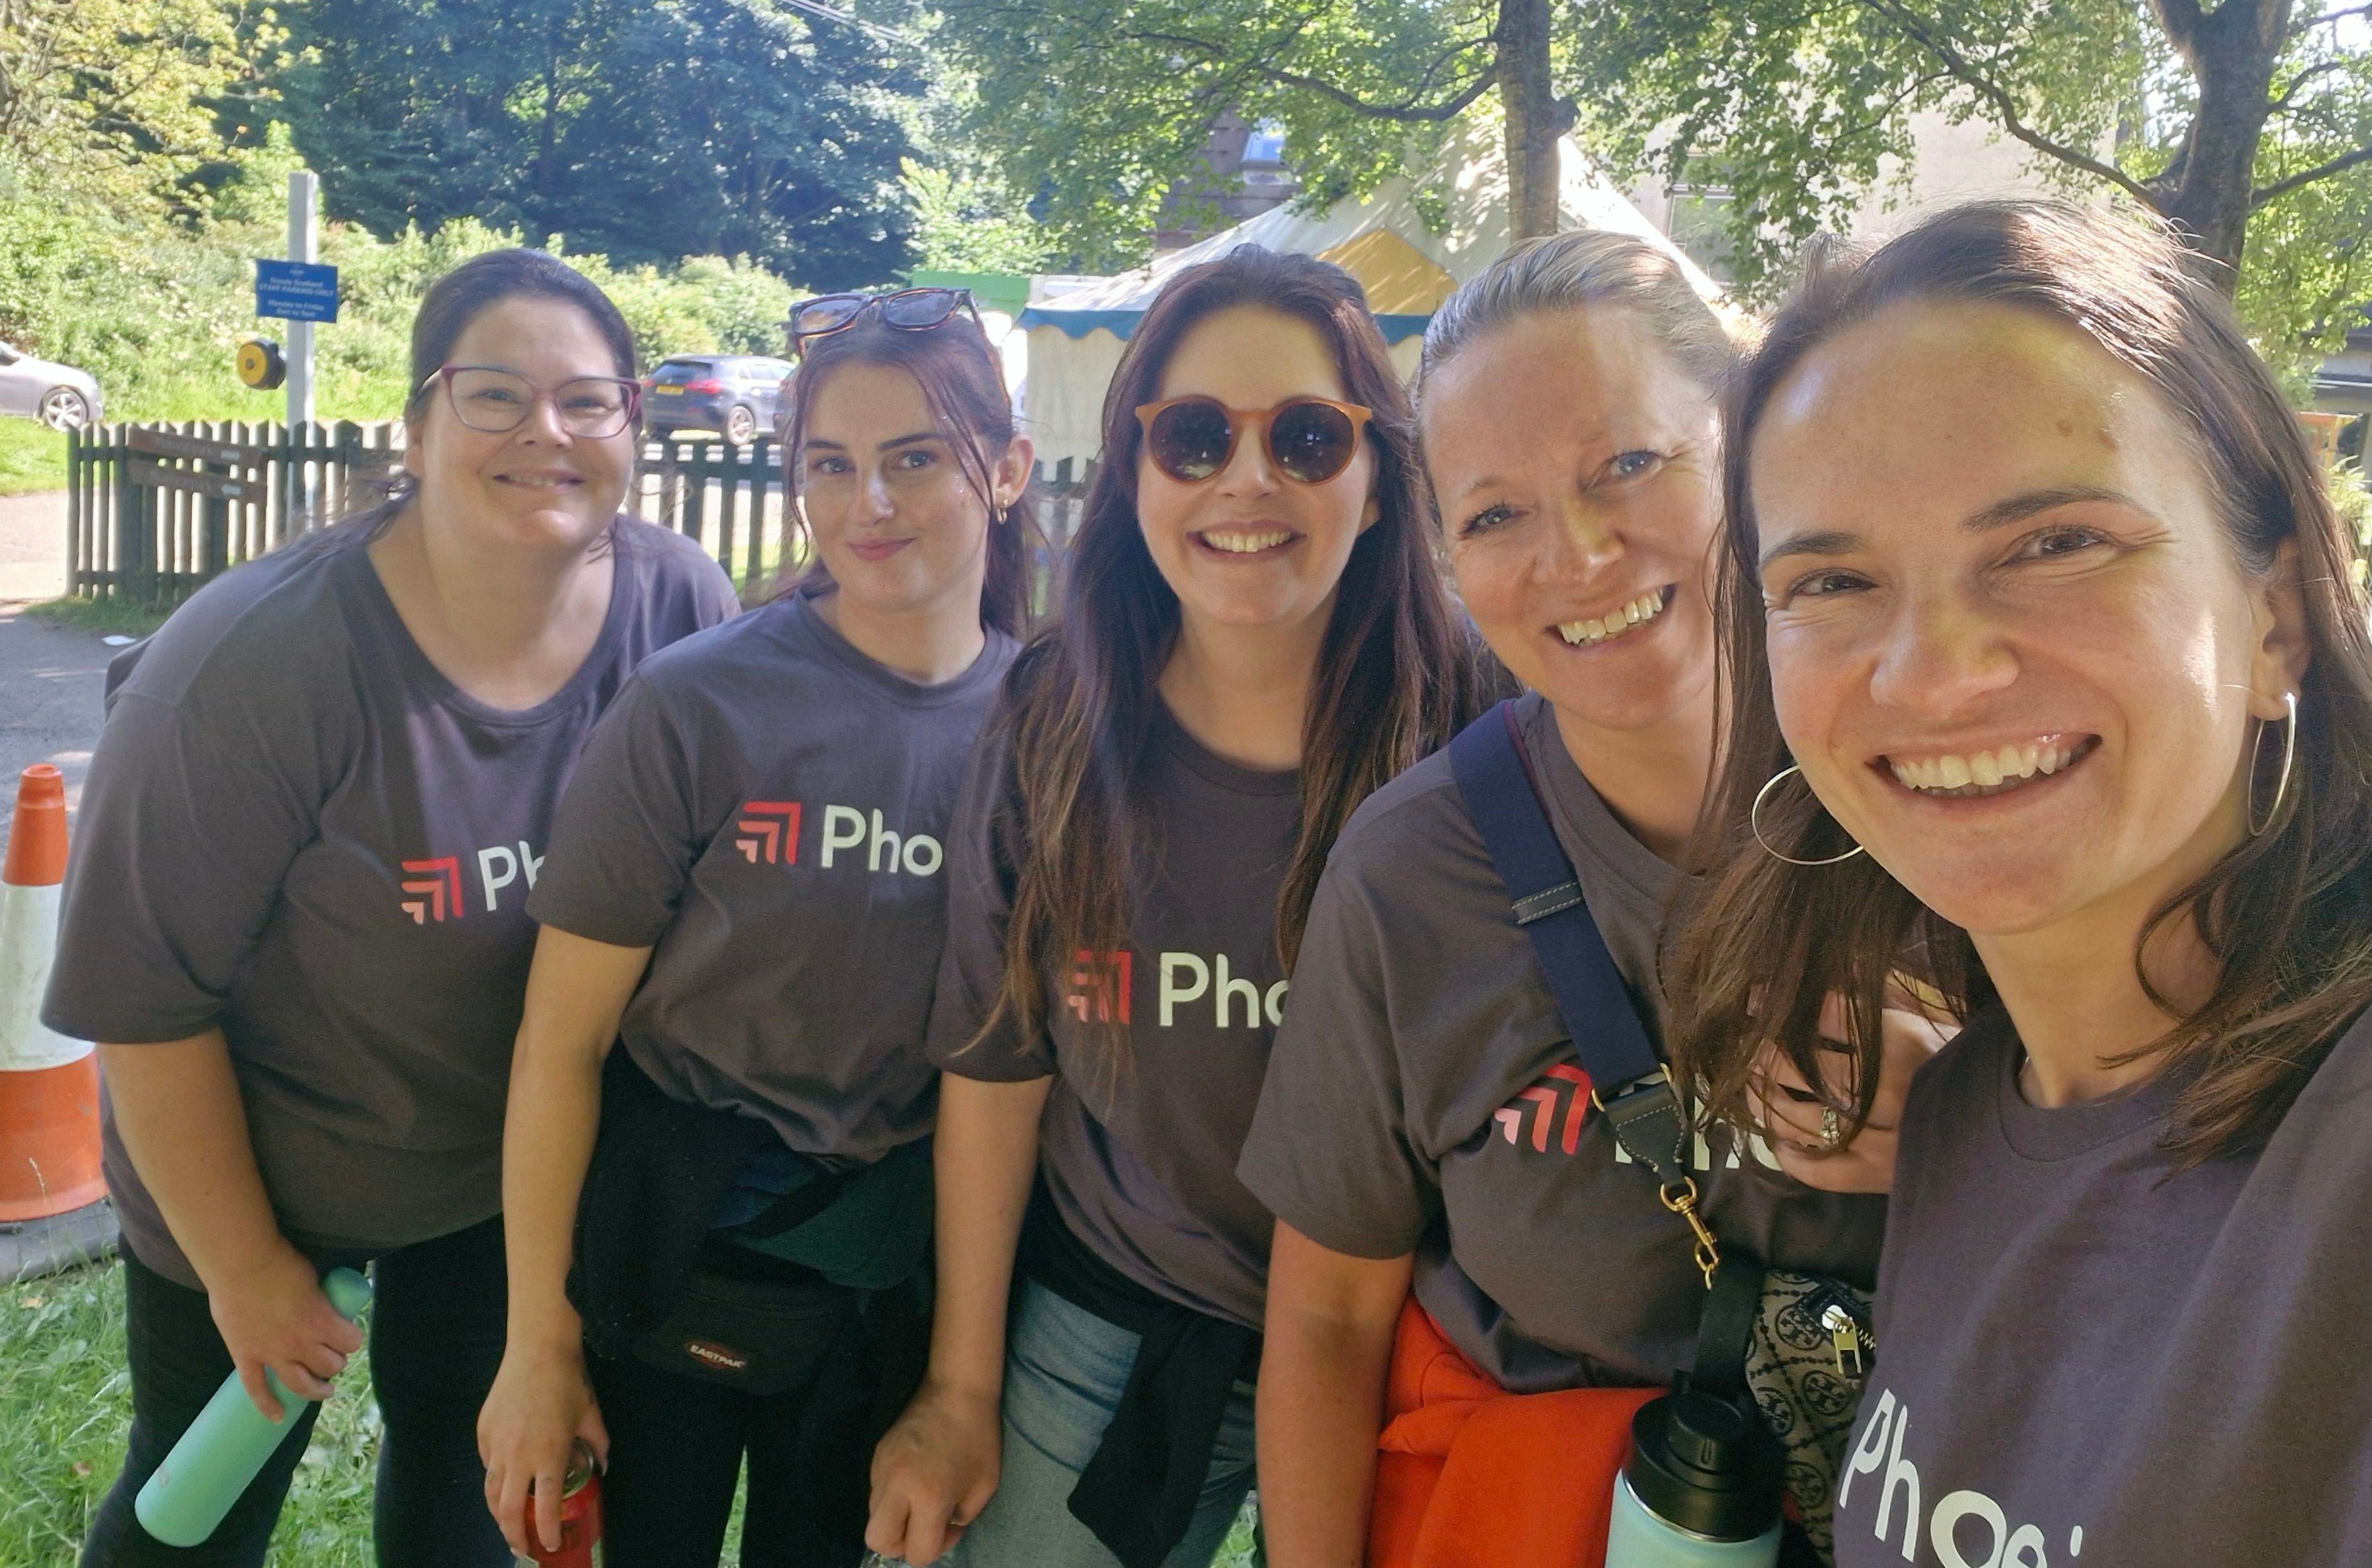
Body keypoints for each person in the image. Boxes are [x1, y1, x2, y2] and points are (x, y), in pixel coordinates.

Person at [1671, 199, 2372, 1566]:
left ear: (2274, 616)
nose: (1929, 673)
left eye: (2055, 543)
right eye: (1829, 579)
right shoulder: (1952, 1118)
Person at [1237, 231, 1936, 1568]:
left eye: (1625, 463)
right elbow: (1326, 1317)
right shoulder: (1408, 877)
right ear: (1444, 557)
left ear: (1738, 446)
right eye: (1492, 514)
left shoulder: (1953, 779)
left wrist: (1962, 1119)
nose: (1578, 553)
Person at [44, 248, 740, 1567]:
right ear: (417, 427)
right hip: (256, 1172)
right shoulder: (254, 664)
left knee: (470, 1487)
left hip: (505, 1181)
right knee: (197, 1510)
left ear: (634, 427)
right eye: (494, 396)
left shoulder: (673, 607)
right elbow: (141, 1006)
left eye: (587, 402)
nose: (546, 432)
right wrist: (248, 1271)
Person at [863, 245, 1496, 1568]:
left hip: (1421, 1340)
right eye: (1194, 436)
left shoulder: (1483, 730)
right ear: (1134, 471)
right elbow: (995, 1068)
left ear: (1378, 482)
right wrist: (960, 1392)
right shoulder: (1052, 720)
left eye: (1308, 437)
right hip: (1121, 1314)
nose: (1245, 481)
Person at [476, 286, 1032, 1566]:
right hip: (662, 1249)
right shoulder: (696, 709)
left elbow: (996, 1082)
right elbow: (560, 1044)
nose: (867, 505)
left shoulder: (1043, 734)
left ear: (1001, 470)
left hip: (876, 1280)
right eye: (829, 466)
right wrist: (537, 1343)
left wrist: (959, 1384)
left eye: (914, 461)